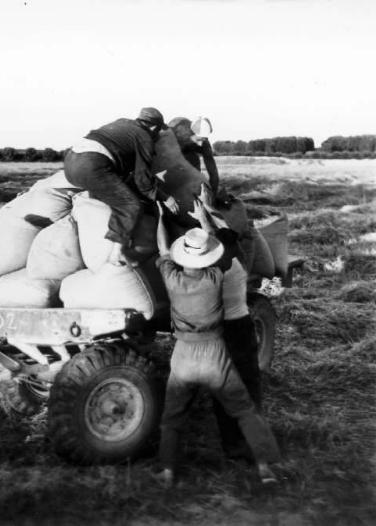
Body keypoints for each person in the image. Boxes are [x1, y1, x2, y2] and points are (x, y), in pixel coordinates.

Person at [154, 199, 280, 488]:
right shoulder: (216, 276)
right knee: (244, 408)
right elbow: (225, 243)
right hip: (214, 353)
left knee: (172, 416)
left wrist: (160, 216)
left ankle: (168, 471)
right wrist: (204, 216)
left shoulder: (171, 277)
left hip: (183, 354)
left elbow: (162, 248)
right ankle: (265, 467)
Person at [196, 185, 263, 461]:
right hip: (242, 325)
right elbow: (220, 234)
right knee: (248, 383)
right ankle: (249, 442)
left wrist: (199, 212)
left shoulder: (211, 272)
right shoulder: (238, 264)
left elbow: (207, 237)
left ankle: (233, 444)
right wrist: (206, 208)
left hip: (221, 330)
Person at [64, 108, 178, 265]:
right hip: (90, 165)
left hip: (70, 163)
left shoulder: (122, 122)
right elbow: (143, 181)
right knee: (130, 205)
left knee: (111, 193)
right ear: (154, 127)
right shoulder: (144, 136)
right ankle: (117, 253)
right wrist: (165, 197)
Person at [168, 116, 220, 196]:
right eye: (198, 138)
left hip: (190, 156)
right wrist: (189, 141)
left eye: (202, 139)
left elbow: (212, 169)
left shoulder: (204, 142)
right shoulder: (176, 126)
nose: (200, 142)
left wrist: (213, 191)